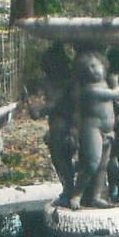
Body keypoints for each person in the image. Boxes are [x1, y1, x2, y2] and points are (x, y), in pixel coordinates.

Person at [24, 42, 77, 206]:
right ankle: (68, 188)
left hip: (66, 124)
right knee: (60, 160)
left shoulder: (65, 82)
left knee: (61, 158)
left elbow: (55, 104)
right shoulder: (51, 81)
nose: (44, 68)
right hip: (56, 125)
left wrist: (39, 111)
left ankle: (71, 190)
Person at [69, 51, 119, 210]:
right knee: (91, 163)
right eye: (88, 68)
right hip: (92, 129)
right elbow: (115, 94)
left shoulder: (103, 83)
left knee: (102, 165)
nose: (92, 70)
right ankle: (77, 194)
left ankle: (95, 196)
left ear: (103, 65)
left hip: (108, 130)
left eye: (94, 65)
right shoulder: (90, 89)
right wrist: (116, 83)